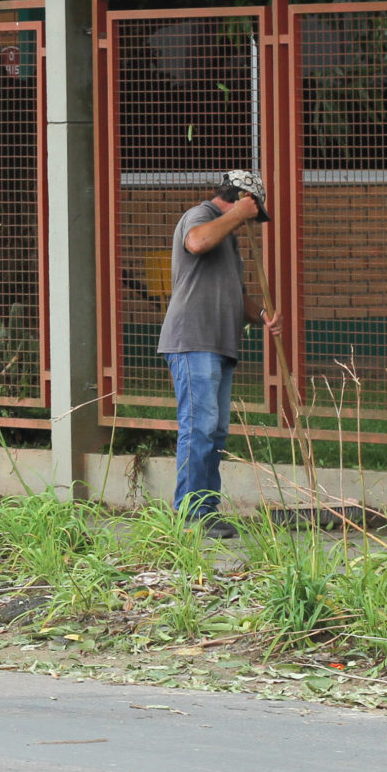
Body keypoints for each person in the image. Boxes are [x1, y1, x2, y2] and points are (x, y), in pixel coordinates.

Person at [158, 169, 277, 539]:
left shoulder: (229, 239)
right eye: (253, 213)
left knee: (215, 431)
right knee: (199, 426)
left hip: (220, 344)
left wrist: (262, 316)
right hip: (193, 341)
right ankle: (190, 515)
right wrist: (239, 214)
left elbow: (237, 295)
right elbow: (196, 242)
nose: (251, 223)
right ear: (242, 198)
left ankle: (206, 511)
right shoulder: (201, 216)